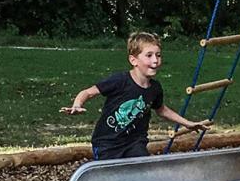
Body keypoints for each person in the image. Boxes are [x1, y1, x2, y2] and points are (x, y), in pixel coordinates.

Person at [63, 31, 208, 160]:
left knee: (140, 172)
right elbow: (88, 92)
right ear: (133, 60)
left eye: (158, 55)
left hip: (135, 143)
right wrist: (77, 104)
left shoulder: (155, 88)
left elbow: (162, 110)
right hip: (108, 144)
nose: (155, 60)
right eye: (149, 55)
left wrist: (187, 123)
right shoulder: (120, 81)